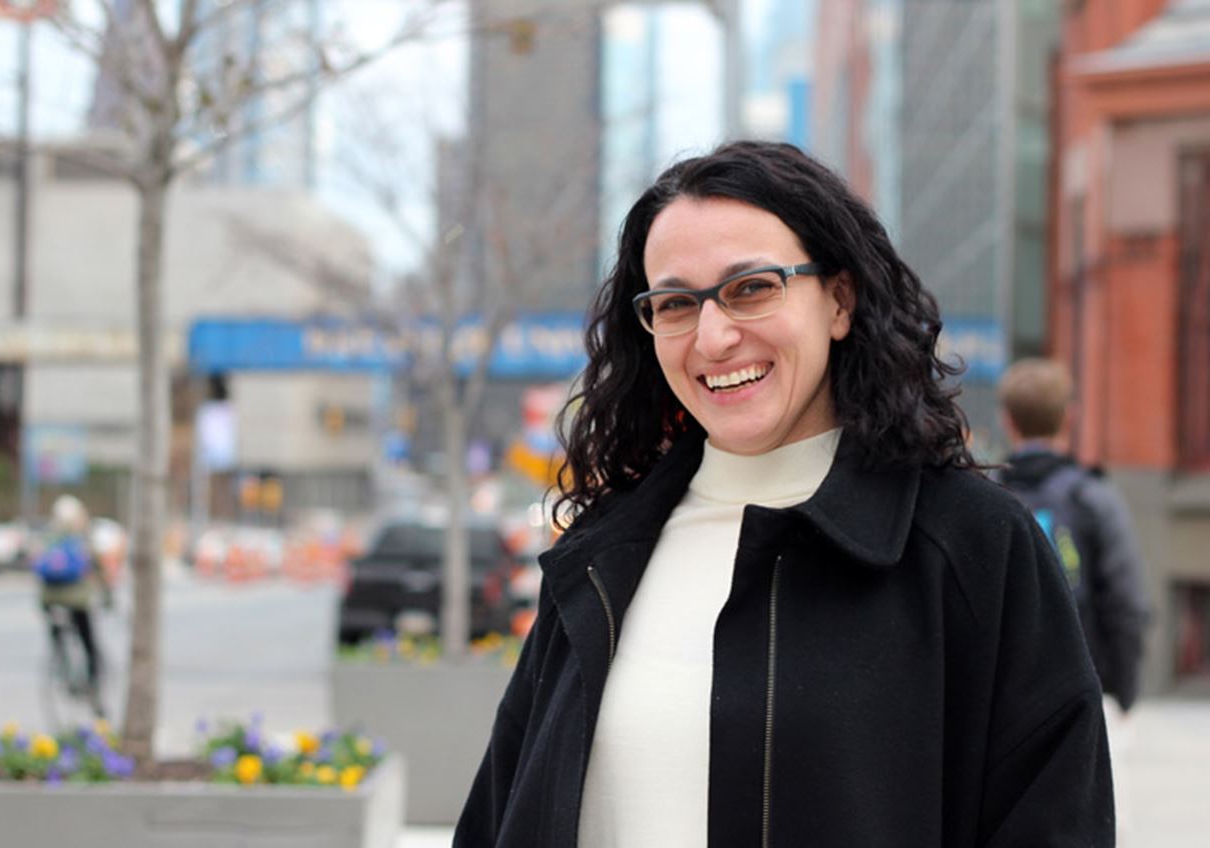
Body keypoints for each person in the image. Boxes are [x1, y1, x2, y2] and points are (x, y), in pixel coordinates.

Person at [455, 141, 1114, 847]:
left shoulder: (973, 548)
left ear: (838, 299)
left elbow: (1055, 823)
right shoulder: (600, 558)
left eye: (752, 288)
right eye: (676, 303)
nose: (713, 337)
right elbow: (500, 815)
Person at [996, 357, 1149, 843]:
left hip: (1001, 695)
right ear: (1070, 417)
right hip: (1086, 689)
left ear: (1007, 421)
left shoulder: (983, 495)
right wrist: (1124, 691)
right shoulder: (1094, 498)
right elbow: (1125, 602)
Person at [35, 494, 111, 715]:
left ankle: (62, 663)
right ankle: (92, 686)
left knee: (57, 634)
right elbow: (98, 570)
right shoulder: (83, 538)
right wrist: (108, 597)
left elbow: (38, 569)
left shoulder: (48, 536)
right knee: (89, 644)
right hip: (78, 602)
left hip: (50, 602)